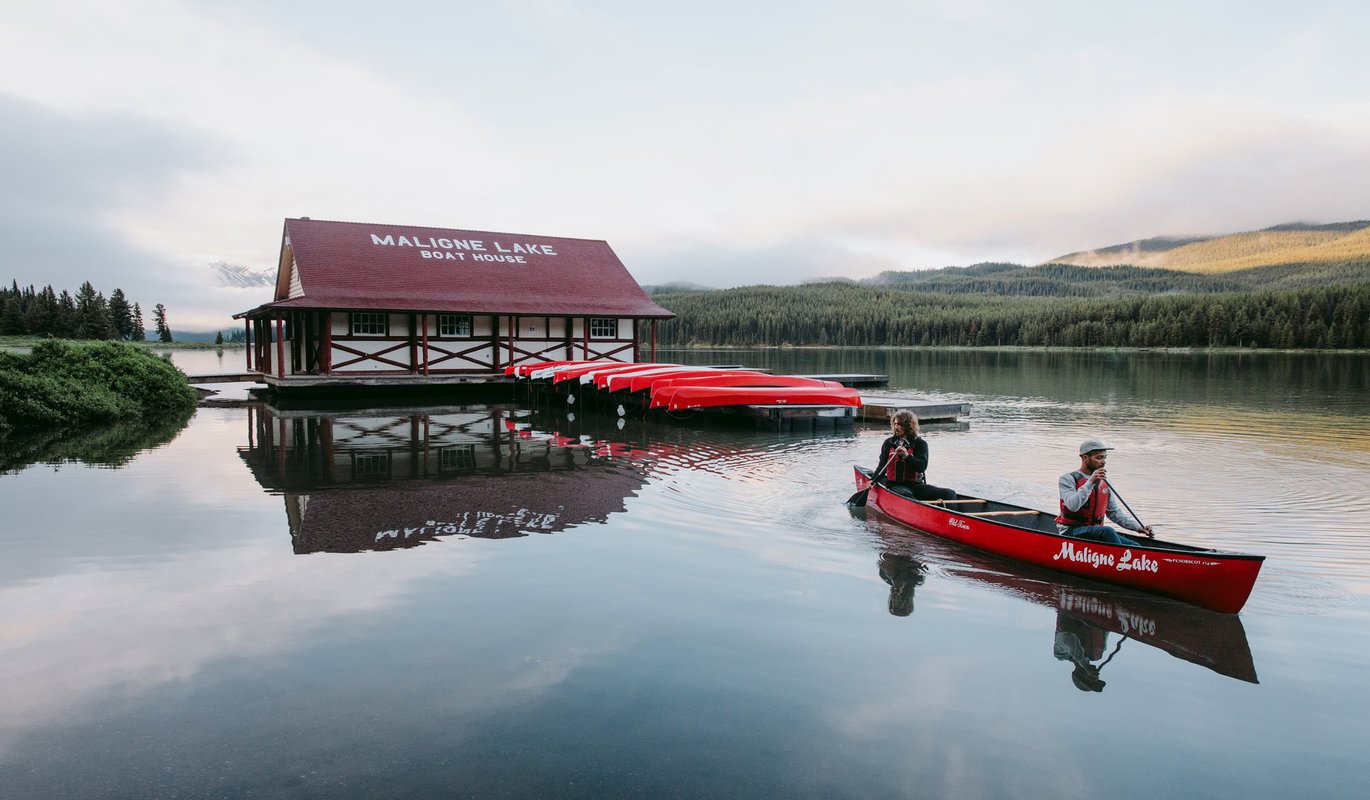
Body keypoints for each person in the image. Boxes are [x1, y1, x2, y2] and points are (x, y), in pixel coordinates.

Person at [1056, 439, 1153, 545]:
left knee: (1135, 546)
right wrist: (1091, 482)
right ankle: (1119, 557)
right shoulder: (1067, 479)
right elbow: (1072, 506)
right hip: (1071, 532)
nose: (1103, 461)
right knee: (1108, 531)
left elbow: (1114, 513)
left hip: (1096, 533)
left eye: (1104, 457)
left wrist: (1138, 528)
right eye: (1099, 458)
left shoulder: (1105, 482)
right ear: (1085, 458)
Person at [877, 410, 957, 502]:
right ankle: (920, 508)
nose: (896, 427)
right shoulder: (888, 443)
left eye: (899, 424)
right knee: (905, 494)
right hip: (895, 486)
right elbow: (882, 465)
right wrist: (873, 480)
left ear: (908, 426)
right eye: (895, 424)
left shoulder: (920, 444)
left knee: (950, 494)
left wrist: (907, 456)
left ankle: (951, 515)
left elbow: (921, 467)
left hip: (916, 486)